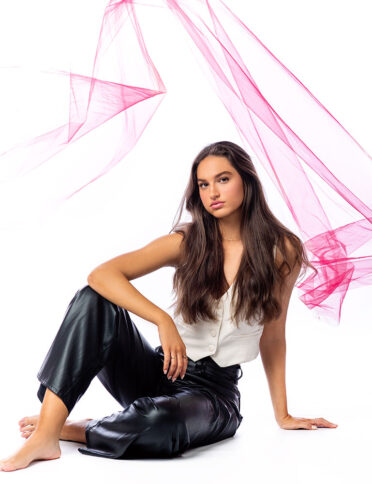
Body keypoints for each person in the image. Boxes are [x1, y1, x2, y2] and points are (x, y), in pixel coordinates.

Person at [0, 140, 338, 472]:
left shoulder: (283, 250)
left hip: (212, 396)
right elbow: (101, 274)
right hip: (159, 369)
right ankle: (46, 433)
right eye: (203, 184)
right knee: (93, 299)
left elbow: (273, 336)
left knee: (161, 420)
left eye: (223, 179)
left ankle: (80, 428)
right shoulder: (189, 242)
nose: (212, 193)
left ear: (247, 181)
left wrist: (283, 414)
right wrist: (162, 320)